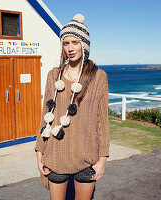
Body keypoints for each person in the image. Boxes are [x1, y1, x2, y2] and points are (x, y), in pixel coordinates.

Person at [35, 13, 110, 200]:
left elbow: (103, 121)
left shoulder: (98, 77)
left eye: (75, 42)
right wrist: (39, 151)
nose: (70, 48)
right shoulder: (54, 75)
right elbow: (46, 115)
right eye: (66, 43)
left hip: (87, 157)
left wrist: (102, 160)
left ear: (84, 45)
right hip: (56, 156)